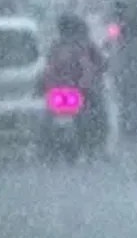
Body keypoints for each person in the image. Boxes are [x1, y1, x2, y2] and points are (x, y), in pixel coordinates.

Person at [42, 13, 109, 152]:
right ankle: (97, 144)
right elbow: (100, 64)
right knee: (98, 113)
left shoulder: (57, 46)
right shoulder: (85, 45)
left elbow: (49, 68)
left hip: (67, 92)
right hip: (80, 92)